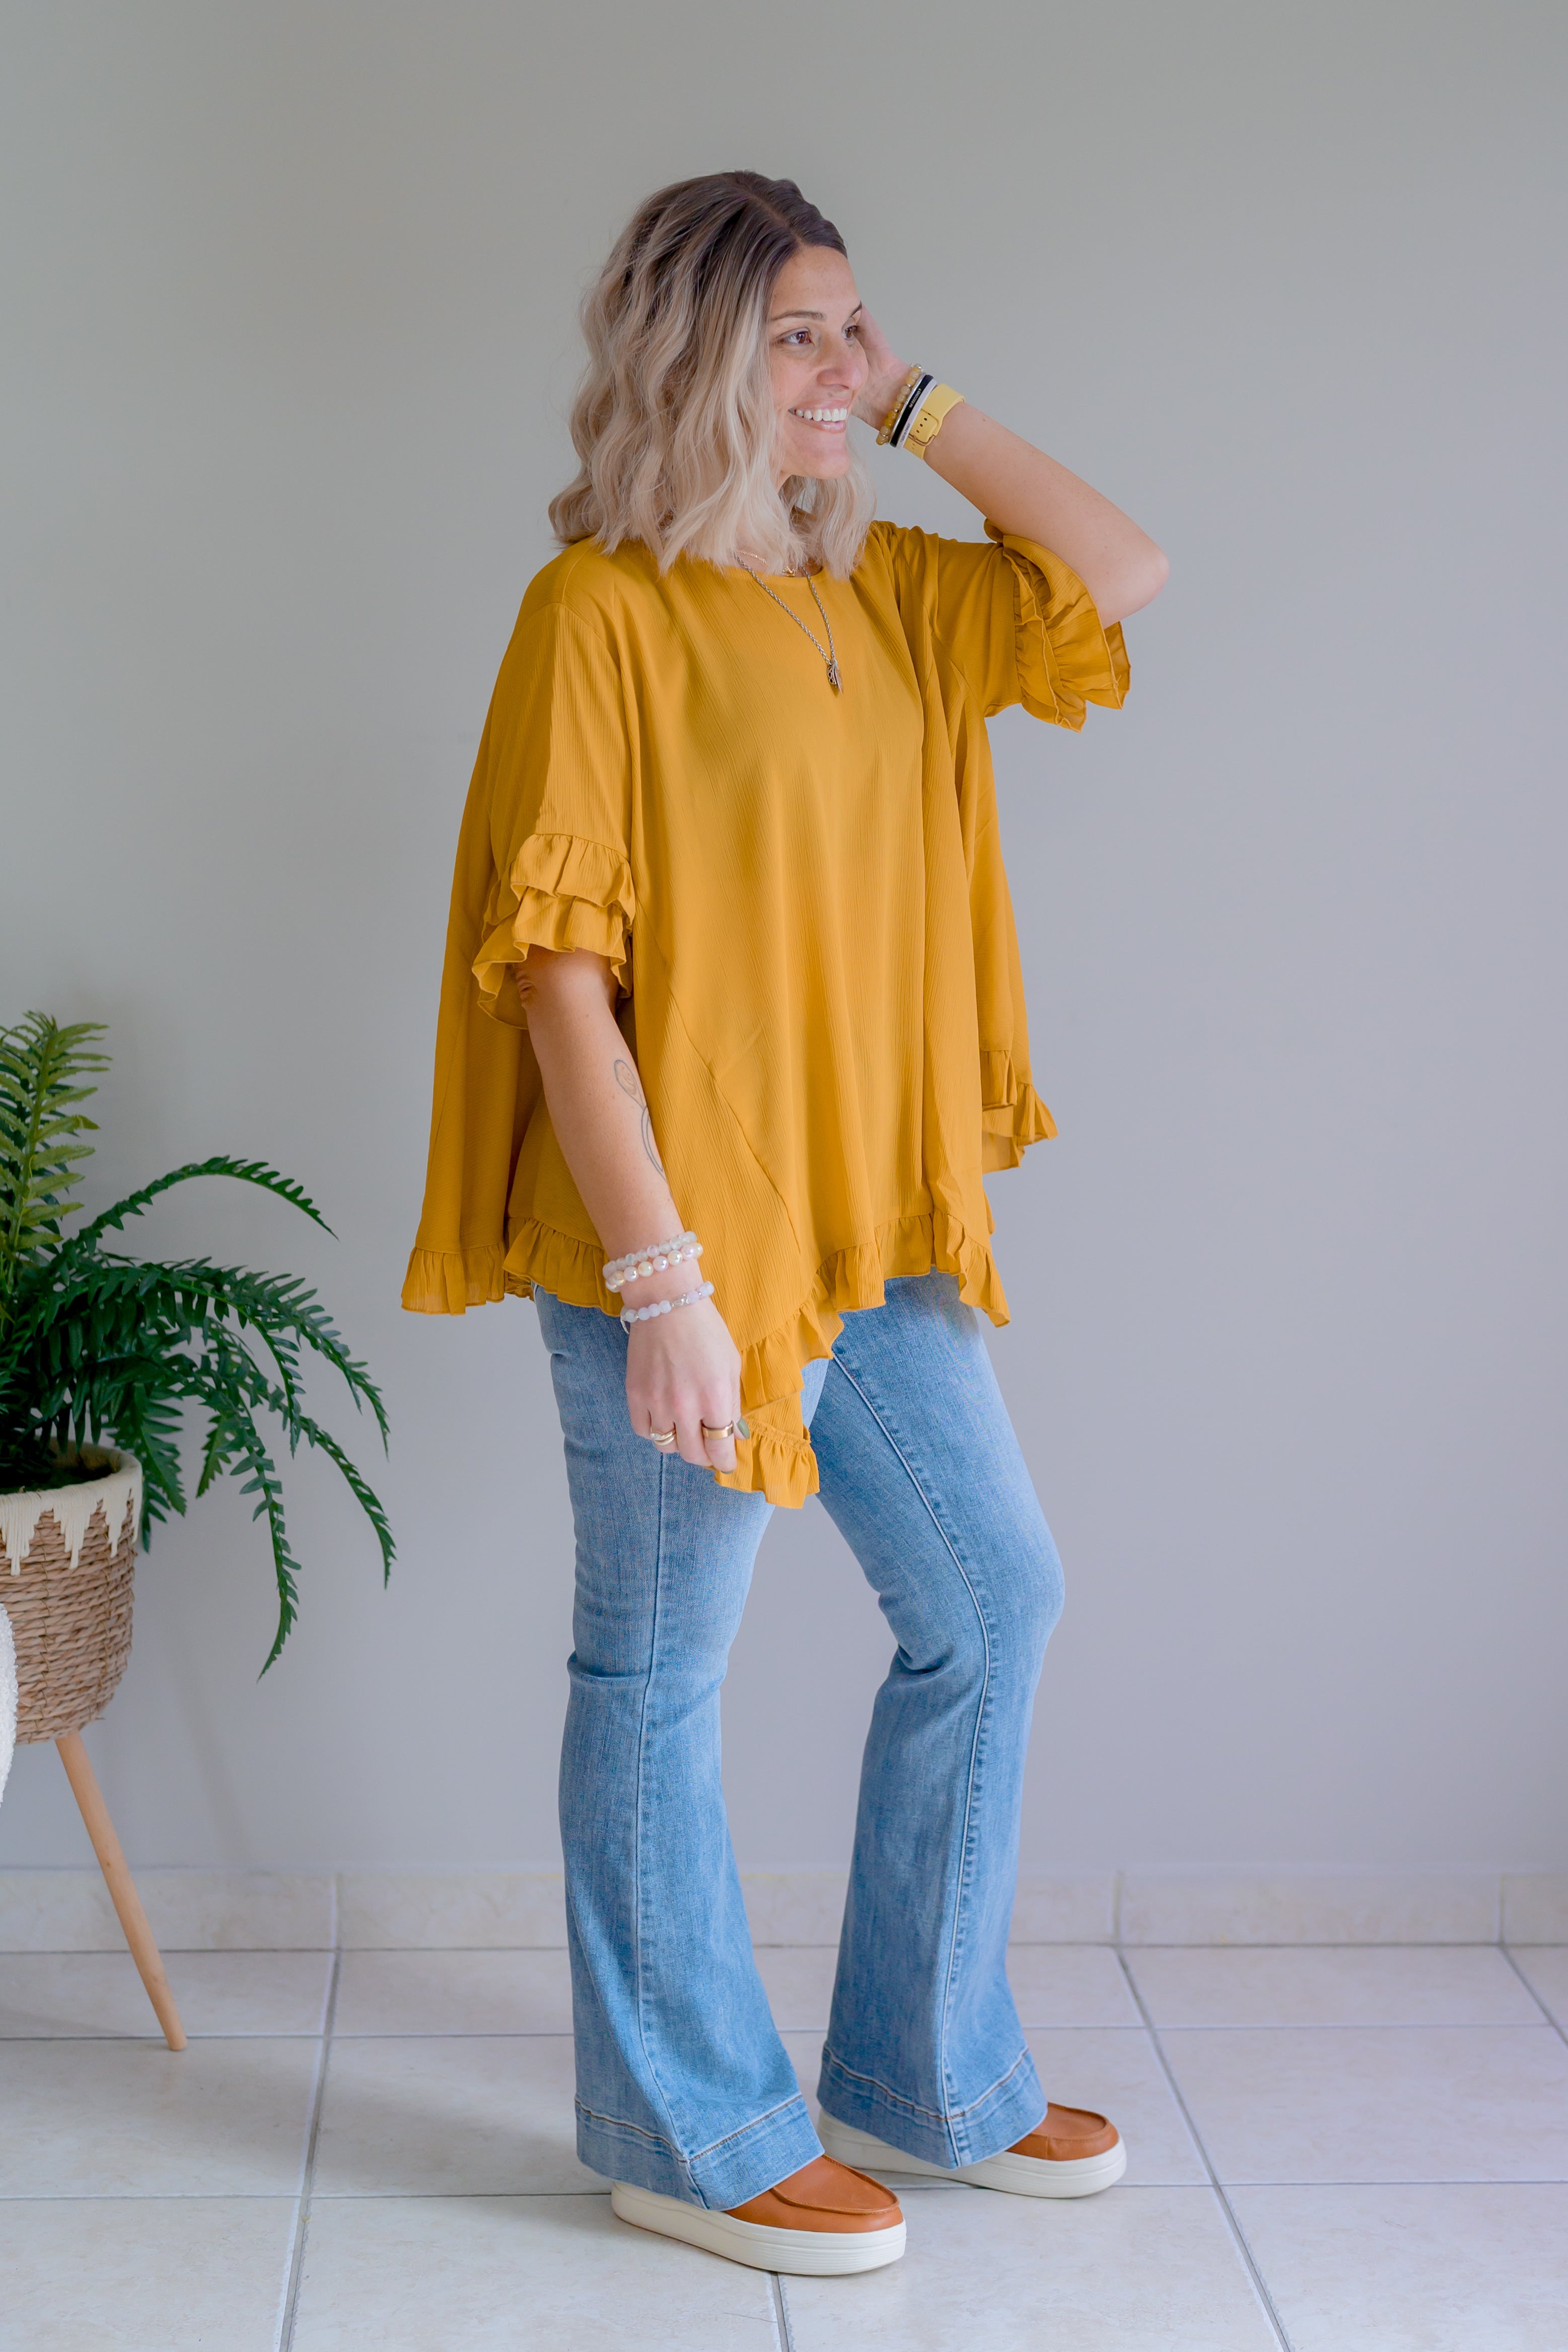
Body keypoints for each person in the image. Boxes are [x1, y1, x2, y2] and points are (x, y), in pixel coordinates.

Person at [405, 170, 1167, 2277]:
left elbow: (1118, 571)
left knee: (992, 1601)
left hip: (869, 1217)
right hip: (676, 1231)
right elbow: (556, 978)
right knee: (660, 1670)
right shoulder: (598, 613)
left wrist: (908, 404)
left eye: (854, 327)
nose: (842, 365)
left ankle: (923, 2076)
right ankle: (685, 2129)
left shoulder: (895, 594)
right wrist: (659, 1279)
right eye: (798, 337)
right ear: (693, 360)